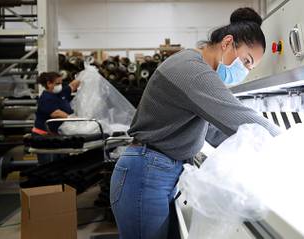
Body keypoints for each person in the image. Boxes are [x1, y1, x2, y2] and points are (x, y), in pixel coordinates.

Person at [110, 7, 281, 239]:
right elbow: (238, 116)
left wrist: (254, 152)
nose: (245, 71)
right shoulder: (193, 71)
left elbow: (215, 131)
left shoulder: (196, 68)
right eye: (246, 61)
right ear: (228, 43)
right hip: (147, 173)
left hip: (157, 171)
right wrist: (289, 144)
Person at [32, 72, 80, 163]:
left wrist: (87, 74)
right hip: (44, 137)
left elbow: (73, 85)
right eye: (57, 83)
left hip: (57, 136)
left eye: (61, 83)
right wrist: (74, 119)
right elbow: (56, 113)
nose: (60, 86)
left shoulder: (60, 93)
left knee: (61, 162)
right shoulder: (46, 98)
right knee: (49, 164)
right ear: (49, 84)